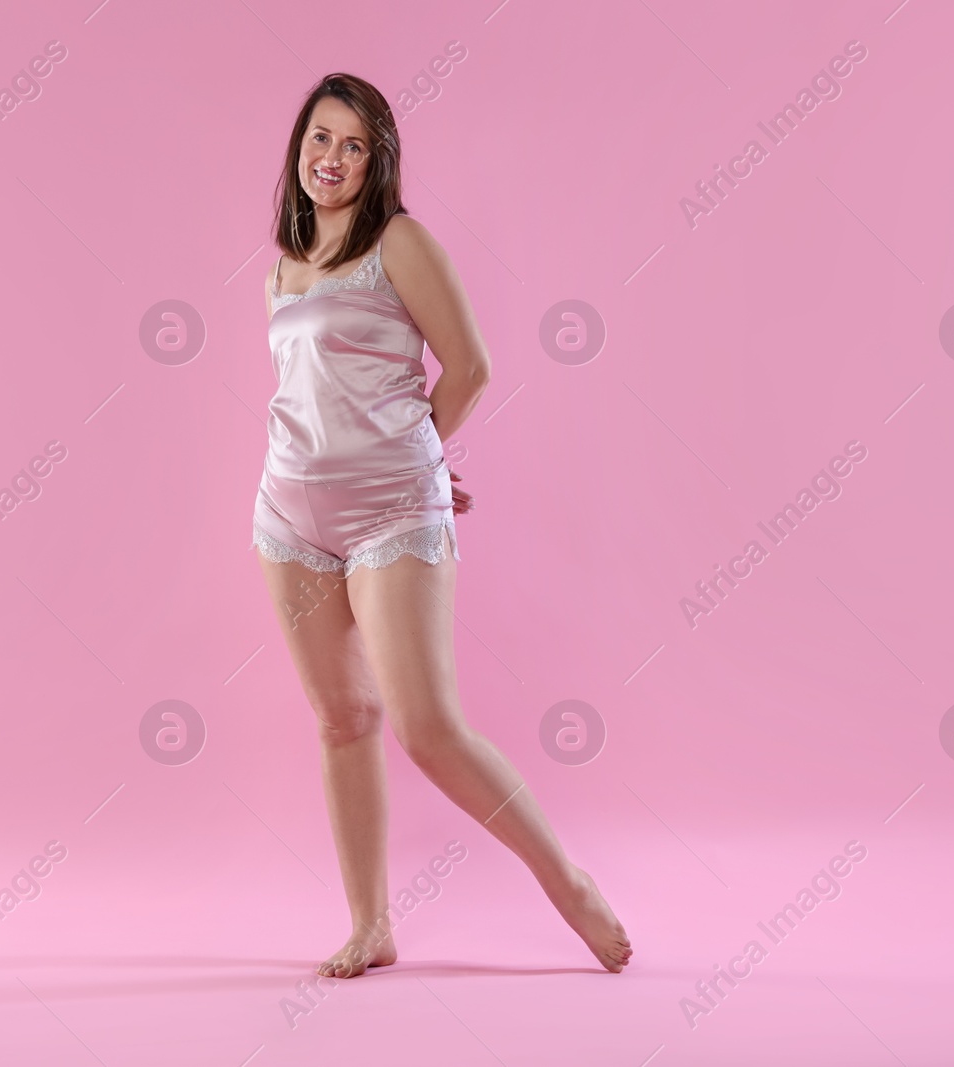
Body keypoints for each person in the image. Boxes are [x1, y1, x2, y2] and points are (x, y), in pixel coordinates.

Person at [251, 72, 631, 979]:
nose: (329, 158)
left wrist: (416, 455)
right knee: (341, 718)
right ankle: (370, 923)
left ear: (376, 159)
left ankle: (567, 882)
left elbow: (469, 366)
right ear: (297, 147)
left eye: (351, 144)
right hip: (287, 514)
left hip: (391, 511)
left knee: (426, 727)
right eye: (318, 138)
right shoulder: (282, 265)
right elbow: (311, 395)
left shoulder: (399, 242)